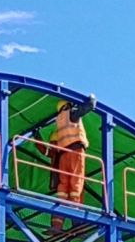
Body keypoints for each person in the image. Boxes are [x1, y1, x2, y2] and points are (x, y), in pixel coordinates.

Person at [33, 95, 97, 233]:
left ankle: (57, 225)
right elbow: (86, 108)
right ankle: (76, 221)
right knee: (76, 185)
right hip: (75, 152)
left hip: (64, 158)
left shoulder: (59, 121)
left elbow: (45, 151)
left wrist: (36, 137)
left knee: (63, 191)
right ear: (68, 105)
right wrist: (91, 101)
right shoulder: (71, 115)